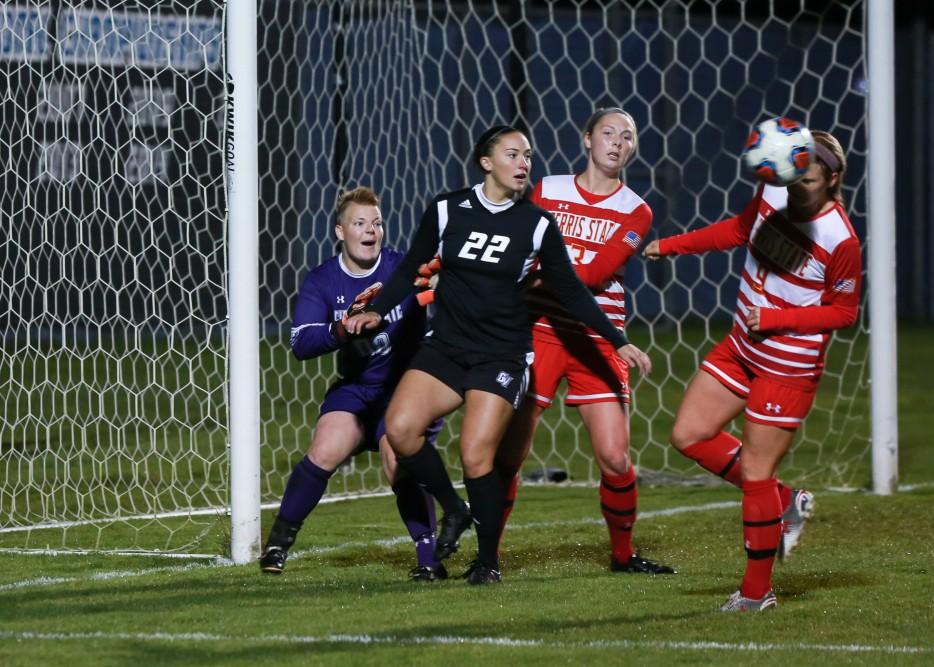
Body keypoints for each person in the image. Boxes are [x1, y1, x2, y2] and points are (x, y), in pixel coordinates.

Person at [345, 125, 652, 585]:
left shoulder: (536, 223)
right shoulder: (448, 209)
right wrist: (375, 310)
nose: (524, 163)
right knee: (402, 431)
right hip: (446, 347)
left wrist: (617, 338)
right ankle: (453, 509)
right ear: (486, 162)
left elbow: (571, 288)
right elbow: (411, 268)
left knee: (476, 456)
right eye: (513, 154)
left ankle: (487, 561)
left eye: (528, 155)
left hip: (501, 353)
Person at [643, 131, 860, 611]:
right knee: (689, 434)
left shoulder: (839, 238)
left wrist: (779, 319)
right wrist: (672, 245)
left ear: (832, 180)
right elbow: (740, 229)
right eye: (792, 173)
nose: (796, 183)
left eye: (807, 177)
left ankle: (756, 594)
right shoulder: (773, 188)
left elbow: (844, 312)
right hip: (742, 346)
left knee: (757, 473)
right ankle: (785, 501)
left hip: (787, 367)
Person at [494, 107, 675, 575]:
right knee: (511, 452)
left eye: (628, 137)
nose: (618, 142)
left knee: (615, 457)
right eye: (608, 133)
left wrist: (536, 274)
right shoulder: (546, 190)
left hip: (599, 336)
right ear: (587, 138)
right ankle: (488, 556)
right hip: (541, 332)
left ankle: (622, 555)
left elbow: (593, 275)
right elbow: (517, 246)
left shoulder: (636, 210)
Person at [259, 186, 447, 582]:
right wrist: (342, 329)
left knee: (398, 461)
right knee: (325, 448)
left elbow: (438, 295)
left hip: (404, 389)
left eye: (376, 223)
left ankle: (430, 558)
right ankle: (277, 543)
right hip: (358, 388)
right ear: (339, 231)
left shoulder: (405, 268)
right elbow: (301, 343)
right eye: (360, 223)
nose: (370, 231)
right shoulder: (323, 280)